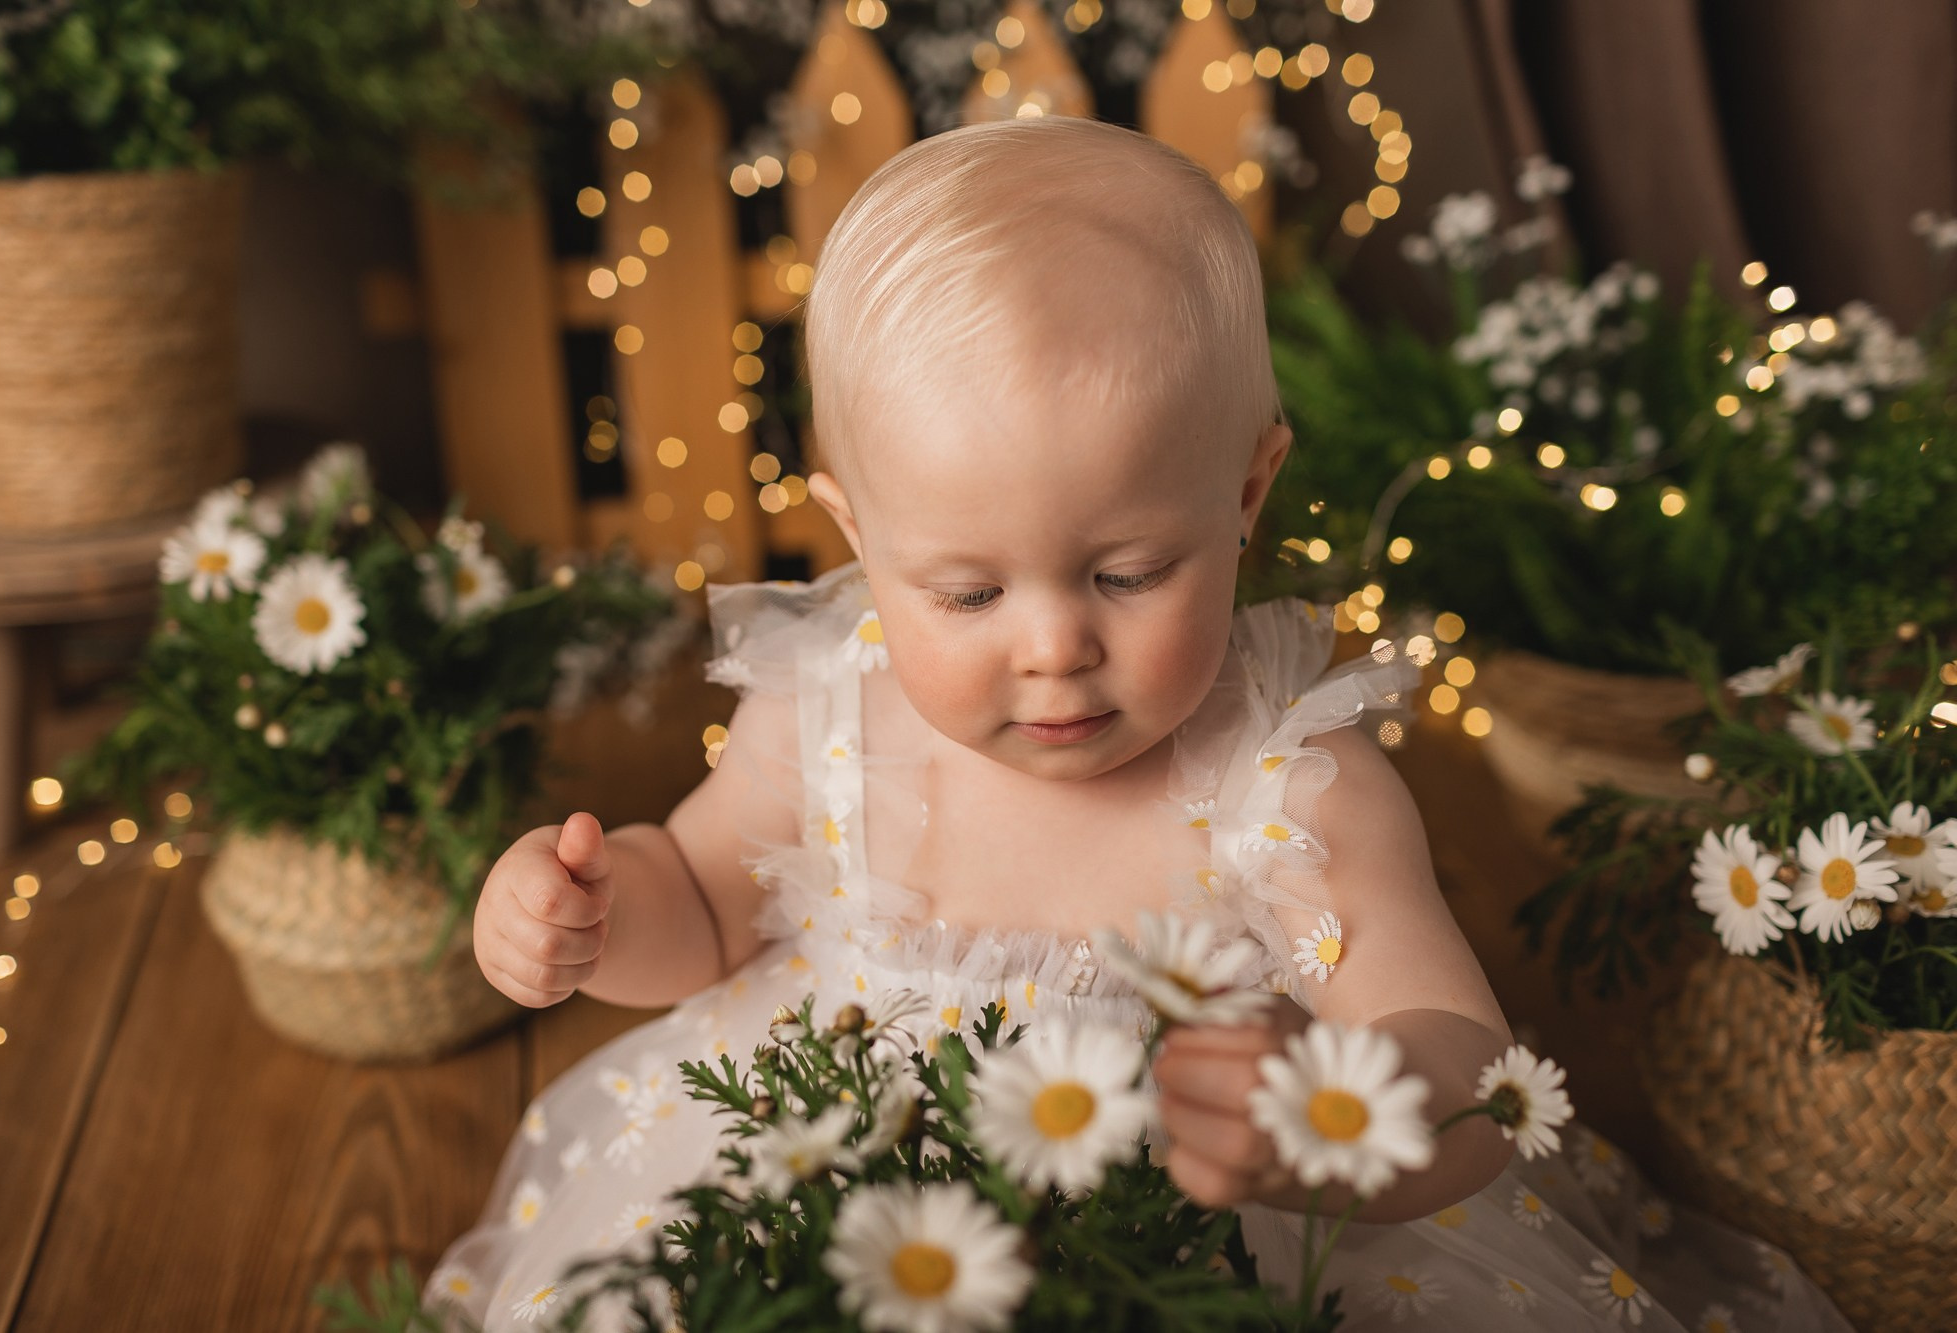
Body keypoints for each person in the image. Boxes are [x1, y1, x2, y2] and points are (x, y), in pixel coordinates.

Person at [427, 116, 1848, 1331]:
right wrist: (596, 916)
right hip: (852, 1197)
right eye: (967, 589)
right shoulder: (830, 714)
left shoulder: (1290, 783)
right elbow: (705, 904)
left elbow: (1460, 1052)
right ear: (859, 534)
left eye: (1126, 573)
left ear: (1246, 491)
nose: (1053, 647)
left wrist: (1324, 1117)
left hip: (1199, 1246)